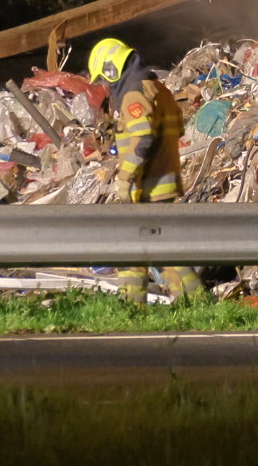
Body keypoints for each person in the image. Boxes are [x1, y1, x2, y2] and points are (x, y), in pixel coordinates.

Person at [87, 37, 206, 305]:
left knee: (131, 250)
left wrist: (128, 176)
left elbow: (144, 138)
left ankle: (132, 306)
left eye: (104, 78)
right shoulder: (157, 88)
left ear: (111, 68)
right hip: (164, 180)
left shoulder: (133, 94)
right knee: (164, 252)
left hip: (146, 185)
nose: (105, 86)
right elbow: (179, 128)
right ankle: (196, 300)